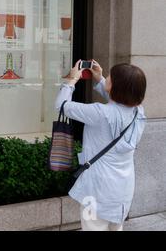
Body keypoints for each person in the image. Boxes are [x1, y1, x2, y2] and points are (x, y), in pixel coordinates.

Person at [55, 60, 147, 231]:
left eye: (110, 77)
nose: (108, 77)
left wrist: (72, 81)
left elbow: (61, 106)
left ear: (116, 86)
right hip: (123, 190)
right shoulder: (139, 112)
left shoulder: (99, 113)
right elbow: (120, 103)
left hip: (97, 190)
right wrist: (99, 79)